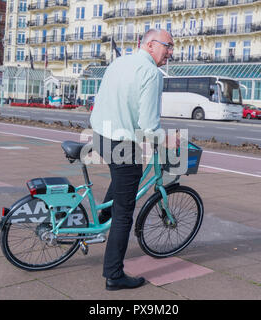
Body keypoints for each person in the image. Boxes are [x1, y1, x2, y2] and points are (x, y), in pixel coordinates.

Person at [89, 29, 174, 291]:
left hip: (100, 134)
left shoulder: (120, 61)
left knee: (126, 177)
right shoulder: (150, 73)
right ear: (150, 45)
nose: (171, 52)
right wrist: (167, 139)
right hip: (121, 142)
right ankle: (114, 274)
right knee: (125, 212)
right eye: (168, 46)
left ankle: (103, 215)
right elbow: (148, 125)